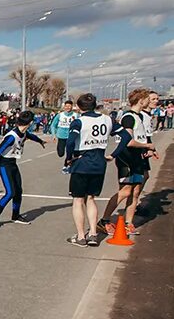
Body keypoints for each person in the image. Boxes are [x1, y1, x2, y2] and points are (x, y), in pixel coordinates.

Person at [64, 93, 129, 247]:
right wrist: (113, 155)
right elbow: (125, 136)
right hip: (99, 162)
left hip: (82, 162)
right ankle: (93, 233)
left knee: (78, 200)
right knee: (91, 198)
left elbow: (70, 142)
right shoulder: (107, 119)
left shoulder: (78, 122)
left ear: (79, 107)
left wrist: (69, 158)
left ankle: (81, 236)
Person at [98, 89, 156, 236]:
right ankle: (104, 220)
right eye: (147, 99)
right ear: (141, 101)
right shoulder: (128, 117)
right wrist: (146, 146)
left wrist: (147, 148)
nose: (150, 102)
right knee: (125, 191)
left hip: (138, 158)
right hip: (127, 159)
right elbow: (128, 141)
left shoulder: (140, 116)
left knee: (136, 191)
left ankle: (128, 223)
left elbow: (141, 137)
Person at [0, 111, 46, 227]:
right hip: (3, 164)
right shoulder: (11, 137)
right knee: (10, 192)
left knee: (18, 191)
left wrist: (40, 141)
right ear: (30, 123)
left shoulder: (23, 132)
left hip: (13, 163)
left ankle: (15, 216)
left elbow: (30, 135)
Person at [50, 100, 78, 171]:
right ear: (64, 107)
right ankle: (61, 152)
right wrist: (53, 135)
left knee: (70, 152)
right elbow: (53, 125)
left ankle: (66, 165)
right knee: (60, 153)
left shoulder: (76, 115)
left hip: (71, 136)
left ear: (72, 106)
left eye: (69, 106)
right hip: (61, 136)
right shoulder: (60, 115)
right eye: (66, 106)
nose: (68, 107)